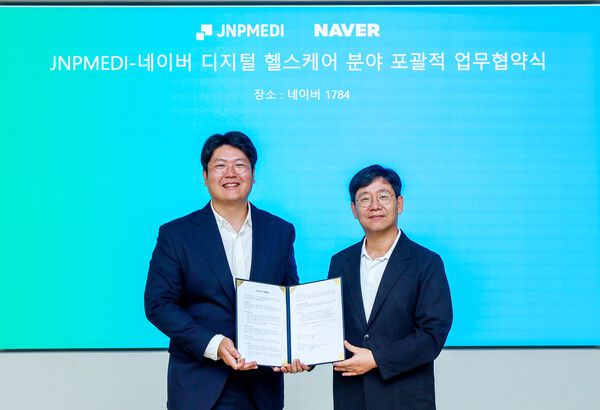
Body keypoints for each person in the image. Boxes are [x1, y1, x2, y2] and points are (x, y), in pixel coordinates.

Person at [145, 131, 307, 410]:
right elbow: (158, 304)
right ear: (205, 176)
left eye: (240, 165)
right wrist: (215, 344)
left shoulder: (279, 232)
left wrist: (300, 351)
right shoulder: (177, 234)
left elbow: (289, 299)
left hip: (262, 387)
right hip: (200, 386)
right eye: (220, 166)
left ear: (253, 174)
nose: (230, 173)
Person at [328, 164, 453, 410]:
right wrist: (302, 356)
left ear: (399, 203)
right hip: (351, 398)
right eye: (365, 198)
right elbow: (329, 325)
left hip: (405, 399)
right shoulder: (340, 262)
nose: (374, 205)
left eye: (383, 196)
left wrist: (377, 358)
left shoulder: (426, 262)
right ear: (354, 209)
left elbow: (433, 335)